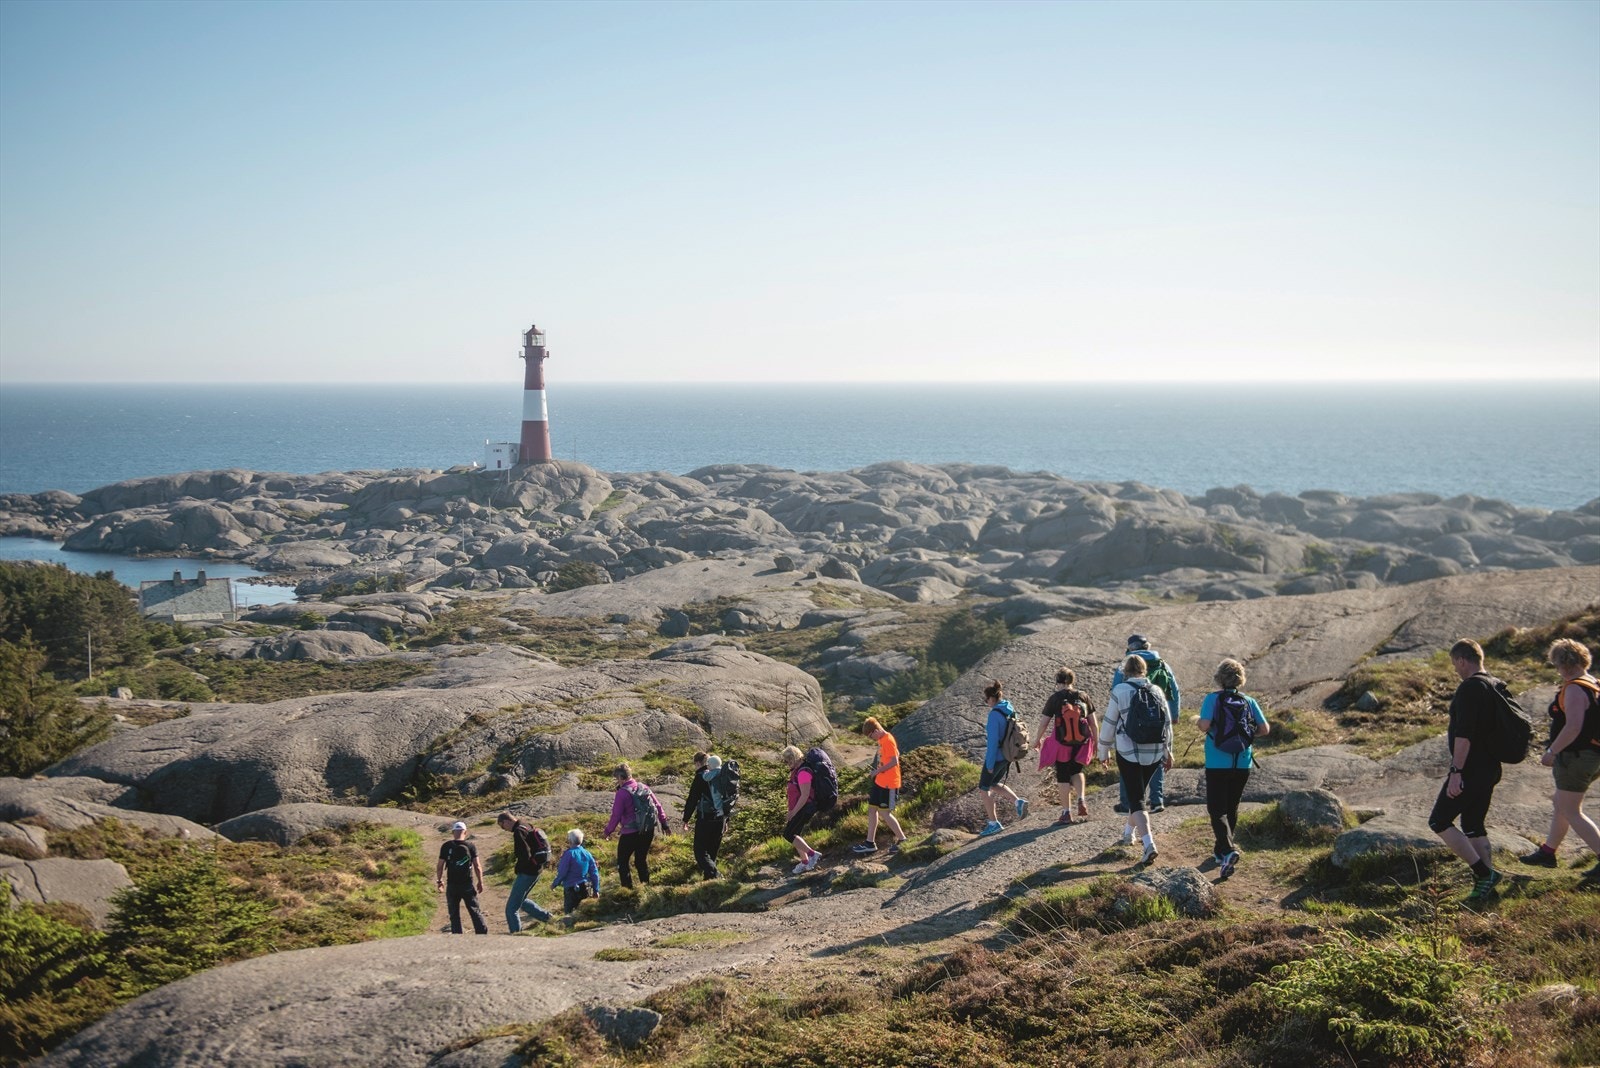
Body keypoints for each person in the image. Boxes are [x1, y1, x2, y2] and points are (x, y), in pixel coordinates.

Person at [1427, 639, 1506, 902]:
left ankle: (1484, 873)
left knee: (1439, 821)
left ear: (1462, 660)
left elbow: (1464, 736)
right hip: (1491, 767)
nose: (1455, 669)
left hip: (1470, 769)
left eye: (1455, 664)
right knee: (1472, 825)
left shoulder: (1470, 688)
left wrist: (1456, 772)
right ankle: (1486, 886)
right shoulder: (1495, 685)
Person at [1520, 638, 1600, 880]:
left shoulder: (1575, 688)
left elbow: (1573, 727)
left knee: (1571, 810)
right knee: (1561, 803)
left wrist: (1552, 751)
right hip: (1590, 756)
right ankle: (1548, 852)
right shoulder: (1594, 683)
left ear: (1562, 663)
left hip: (1575, 758)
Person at [1197, 658, 1270, 879]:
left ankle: (1228, 851)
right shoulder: (1248, 700)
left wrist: (1199, 723)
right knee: (1232, 807)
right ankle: (1221, 851)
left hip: (1218, 762)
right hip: (1242, 761)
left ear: (1220, 678)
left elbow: (1205, 725)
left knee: (1216, 810)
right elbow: (1265, 729)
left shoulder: (1213, 699)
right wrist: (1246, 736)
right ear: (1240, 678)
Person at [1099, 655, 1172, 864]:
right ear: (1144, 670)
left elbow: (1109, 723)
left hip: (1129, 752)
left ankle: (1149, 844)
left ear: (1125, 672)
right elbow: (1167, 724)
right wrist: (1167, 751)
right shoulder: (1156, 690)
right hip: (1155, 751)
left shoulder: (1120, 691)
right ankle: (1128, 833)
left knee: (1137, 800)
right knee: (1137, 794)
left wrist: (1103, 752)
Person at [1110, 635, 1181, 813]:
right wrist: (1174, 714)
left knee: (1128, 761)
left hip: (1132, 721)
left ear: (1130, 648)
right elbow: (1174, 690)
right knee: (1156, 758)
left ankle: (1127, 803)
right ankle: (1157, 801)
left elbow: (1115, 690)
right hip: (1157, 720)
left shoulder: (1126, 665)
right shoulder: (1163, 664)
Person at [1035, 669, 1097, 825]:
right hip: (1081, 742)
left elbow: (1044, 722)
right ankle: (1081, 798)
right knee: (1076, 771)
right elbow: (1093, 723)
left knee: (1063, 775)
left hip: (1062, 743)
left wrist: (1037, 739)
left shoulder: (1055, 698)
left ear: (1058, 682)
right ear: (1072, 680)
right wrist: (1096, 742)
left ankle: (1066, 813)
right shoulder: (1083, 696)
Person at [603, 762, 671, 889]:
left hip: (630, 833)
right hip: (647, 830)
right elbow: (658, 806)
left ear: (621, 778)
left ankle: (627, 890)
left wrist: (607, 831)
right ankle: (645, 887)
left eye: (617, 778)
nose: (617, 781)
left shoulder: (622, 794)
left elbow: (616, 816)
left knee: (622, 862)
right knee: (641, 860)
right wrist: (665, 824)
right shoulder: (644, 787)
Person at [979, 680, 1030, 836]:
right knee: (994, 783)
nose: (986, 702)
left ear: (992, 699)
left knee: (983, 788)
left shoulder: (994, 715)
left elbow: (993, 742)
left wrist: (989, 764)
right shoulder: (1009, 708)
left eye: (986, 699)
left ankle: (993, 823)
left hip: (997, 757)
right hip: (1009, 755)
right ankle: (1018, 802)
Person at [852, 717, 909, 855]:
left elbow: (895, 761)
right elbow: (896, 754)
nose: (872, 739)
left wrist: (877, 771)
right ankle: (869, 843)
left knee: (885, 812)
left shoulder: (888, 740)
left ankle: (902, 839)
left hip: (889, 783)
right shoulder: (882, 740)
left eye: (871, 735)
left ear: (876, 730)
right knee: (872, 810)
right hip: (880, 782)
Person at [496, 811, 553, 932]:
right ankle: (549, 919)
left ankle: (516, 935)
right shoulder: (528, 825)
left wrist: (518, 869)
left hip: (528, 872)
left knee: (511, 908)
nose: (504, 829)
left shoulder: (519, 831)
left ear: (506, 821)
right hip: (537, 870)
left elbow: (524, 854)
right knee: (522, 901)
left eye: (502, 826)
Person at [435, 820, 488, 935]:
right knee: (474, 910)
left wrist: (439, 881)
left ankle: (457, 937)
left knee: (454, 914)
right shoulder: (470, 846)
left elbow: (440, 866)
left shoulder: (446, 846)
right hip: (467, 884)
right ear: (465, 832)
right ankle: (482, 934)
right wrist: (480, 882)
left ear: (453, 832)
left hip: (452, 885)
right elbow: (477, 866)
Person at [682, 752, 728, 879]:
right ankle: (710, 882)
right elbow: (726, 799)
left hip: (705, 818)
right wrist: (726, 820)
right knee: (712, 851)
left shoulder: (701, 777)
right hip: (720, 818)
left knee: (700, 851)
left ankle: (716, 875)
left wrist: (686, 819)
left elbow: (692, 799)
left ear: (697, 763)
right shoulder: (721, 775)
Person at [780, 745, 823, 874]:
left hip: (804, 808)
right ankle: (805, 862)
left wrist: (794, 812)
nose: (787, 763)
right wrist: (791, 810)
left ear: (794, 758)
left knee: (788, 834)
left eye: (788, 760)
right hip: (798, 808)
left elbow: (804, 796)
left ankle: (812, 854)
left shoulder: (803, 772)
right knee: (795, 833)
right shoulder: (797, 770)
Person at [551, 828, 602, 918]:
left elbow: (562, 872)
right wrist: (596, 889)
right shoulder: (587, 853)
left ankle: (570, 929)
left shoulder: (568, 854)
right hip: (585, 886)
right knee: (584, 913)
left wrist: (555, 883)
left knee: (569, 914)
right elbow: (594, 872)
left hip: (571, 888)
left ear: (570, 840)